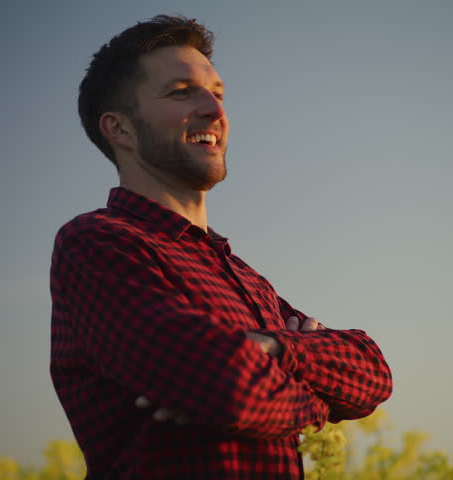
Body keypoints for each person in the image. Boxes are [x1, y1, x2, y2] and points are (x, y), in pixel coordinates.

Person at [50, 14, 392, 479]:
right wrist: (318, 397)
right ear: (120, 129)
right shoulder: (97, 245)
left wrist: (274, 348)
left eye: (218, 93)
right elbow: (226, 385)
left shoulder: (247, 278)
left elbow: (373, 373)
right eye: (181, 92)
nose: (215, 110)